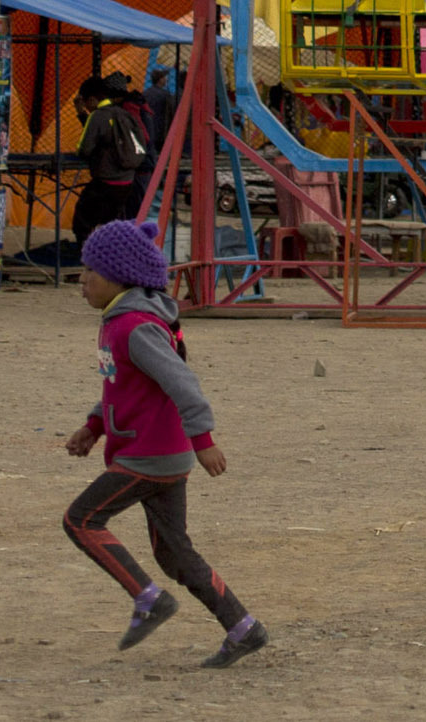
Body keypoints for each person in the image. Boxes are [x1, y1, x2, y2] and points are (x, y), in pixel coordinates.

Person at [63, 218, 266, 668]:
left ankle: (148, 599)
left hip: (149, 455)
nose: (81, 282)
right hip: (154, 452)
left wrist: (204, 439)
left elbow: (182, 382)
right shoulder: (119, 322)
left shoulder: (135, 327)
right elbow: (121, 387)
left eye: (89, 273)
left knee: (81, 520)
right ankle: (242, 627)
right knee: (174, 553)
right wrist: (94, 427)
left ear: (120, 277)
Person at [74, 75, 151, 248]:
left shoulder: (97, 116)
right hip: (126, 181)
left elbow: (84, 148)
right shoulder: (124, 113)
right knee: (111, 222)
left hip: (105, 182)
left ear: (92, 99)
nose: (86, 107)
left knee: (82, 219)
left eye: (86, 103)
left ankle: (84, 256)